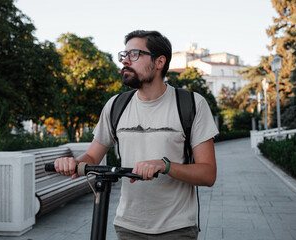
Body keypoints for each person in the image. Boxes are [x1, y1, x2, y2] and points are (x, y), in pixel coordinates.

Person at [55, 30, 218, 239]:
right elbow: (92, 157)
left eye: (134, 54)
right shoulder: (116, 105)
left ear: (159, 62)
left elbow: (208, 174)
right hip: (128, 227)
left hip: (177, 228)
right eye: (124, 55)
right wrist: (72, 162)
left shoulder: (191, 104)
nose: (125, 61)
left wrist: (164, 165)